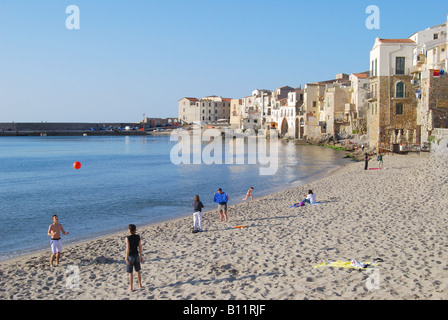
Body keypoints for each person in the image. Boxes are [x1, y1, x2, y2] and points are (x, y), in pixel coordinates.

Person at [125, 224, 143, 291]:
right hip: (136, 255)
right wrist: (141, 255)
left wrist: (126, 257)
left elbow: (128, 249)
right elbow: (140, 247)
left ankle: (131, 287)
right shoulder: (138, 237)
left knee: (130, 272)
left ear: (129, 230)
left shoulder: (128, 238)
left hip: (130, 256)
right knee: (138, 271)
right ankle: (140, 285)